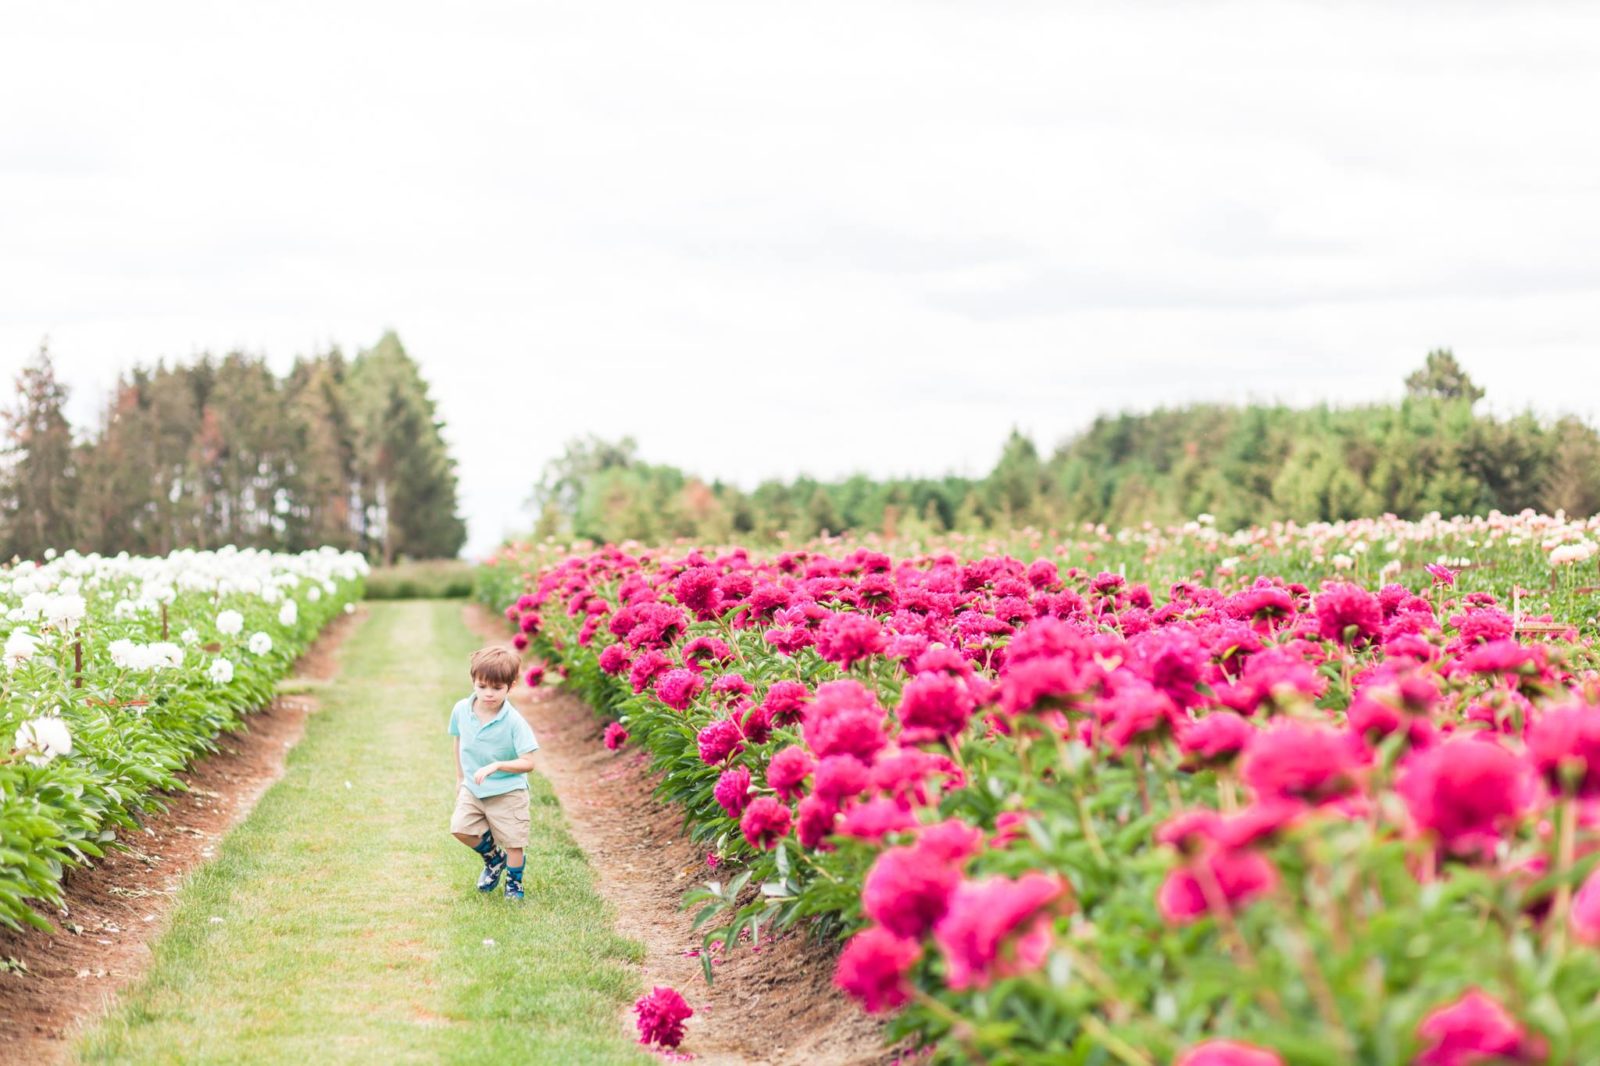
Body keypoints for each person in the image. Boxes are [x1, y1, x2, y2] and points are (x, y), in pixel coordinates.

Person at [448, 646, 539, 900]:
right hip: (474, 787)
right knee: (460, 828)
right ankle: (493, 859)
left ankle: (514, 883)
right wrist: (460, 778)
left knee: (513, 841)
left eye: (497, 688)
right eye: (482, 686)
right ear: (473, 681)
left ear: (510, 686)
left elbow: (528, 762)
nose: (489, 694)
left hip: (508, 791)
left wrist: (498, 765)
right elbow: (458, 741)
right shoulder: (461, 710)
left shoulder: (514, 722)